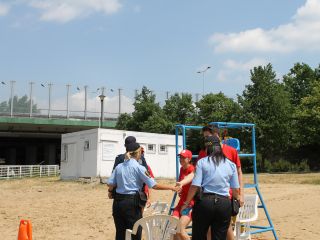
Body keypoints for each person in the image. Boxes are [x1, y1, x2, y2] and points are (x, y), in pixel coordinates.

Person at [178, 125, 244, 240]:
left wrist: (187, 202)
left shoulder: (203, 161)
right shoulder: (230, 164)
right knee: (220, 234)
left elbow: (195, 185)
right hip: (224, 202)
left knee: (199, 234)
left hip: (205, 202)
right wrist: (238, 198)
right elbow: (235, 189)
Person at [107, 142, 178, 240]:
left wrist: (110, 192)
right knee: (135, 232)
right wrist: (171, 188)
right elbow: (154, 185)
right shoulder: (139, 168)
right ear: (138, 153)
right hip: (132, 203)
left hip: (118, 203)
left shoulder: (119, 167)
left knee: (120, 232)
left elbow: (110, 184)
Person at [112, 136, 152, 208]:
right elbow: (147, 175)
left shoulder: (119, 158)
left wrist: (110, 191)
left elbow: (113, 178)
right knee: (138, 218)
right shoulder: (141, 158)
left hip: (119, 195)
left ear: (125, 146)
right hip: (138, 194)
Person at [172, 149, 195, 240]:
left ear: (189, 159)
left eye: (183, 158)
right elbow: (182, 185)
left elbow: (195, 188)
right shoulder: (182, 169)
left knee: (180, 230)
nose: (181, 159)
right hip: (182, 202)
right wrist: (179, 189)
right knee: (173, 229)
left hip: (191, 203)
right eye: (180, 157)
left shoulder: (192, 170)